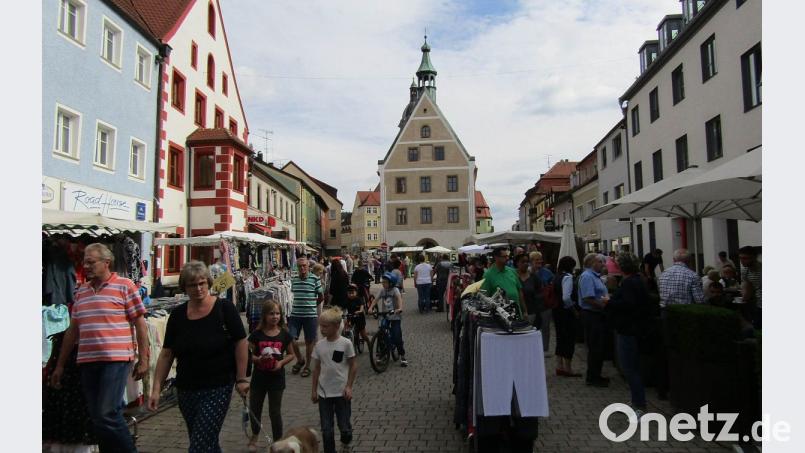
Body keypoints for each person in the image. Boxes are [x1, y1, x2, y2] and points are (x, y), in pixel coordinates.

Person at [50, 243, 150, 453]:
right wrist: (59, 365)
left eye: (91, 262)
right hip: (87, 361)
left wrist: (144, 359)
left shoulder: (125, 285)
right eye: (84, 261)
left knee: (107, 413)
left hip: (115, 359)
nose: (85, 266)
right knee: (97, 417)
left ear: (107, 263)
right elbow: (72, 330)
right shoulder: (81, 291)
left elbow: (140, 323)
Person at [147, 261, 249, 453]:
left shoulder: (224, 308)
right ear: (184, 287)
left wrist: (241, 378)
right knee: (206, 442)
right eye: (192, 285)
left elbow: (241, 342)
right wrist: (156, 389)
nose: (198, 288)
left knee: (199, 445)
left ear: (209, 283)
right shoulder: (177, 315)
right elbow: (167, 353)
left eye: (202, 283)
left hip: (218, 386)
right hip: (186, 389)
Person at [607, 253, 654, 417]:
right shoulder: (637, 280)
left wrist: (609, 302)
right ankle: (636, 401)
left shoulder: (629, 283)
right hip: (634, 329)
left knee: (630, 368)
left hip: (628, 330)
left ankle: (639, 405)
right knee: (631, 367)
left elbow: (628, 305)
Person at [246, 300, 296, 451]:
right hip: (259, 378)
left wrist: (281, 363)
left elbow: (291, 354)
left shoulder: (284, 334)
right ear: (264, 316)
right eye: (271, 313)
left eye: (277, 313)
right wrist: (258, 359)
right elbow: (247, 354)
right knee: (255, 408)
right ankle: (254, 436)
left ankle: (278, 441)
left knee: (275, 412)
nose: (275, 316)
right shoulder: (257, 334)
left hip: (277, 379)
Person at [311, 307, 358, 453]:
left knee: (344, 427)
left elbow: (353, 365)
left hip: (341, 392)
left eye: (325, 326)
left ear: (336, 326)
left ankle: (346, 442)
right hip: (324, 393)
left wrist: (349, 386)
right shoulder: (319, 345)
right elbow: (316, 369)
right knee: (326, 429)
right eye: (321, 326)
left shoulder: (346, 344)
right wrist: (313, 390)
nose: (322, 329)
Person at [289, 256, 324, 378]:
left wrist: (312, 306)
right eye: (300, 266)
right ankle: (300, 359)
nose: (302, 268)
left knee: (310, 341)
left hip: (310, 316)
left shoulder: (315, 279)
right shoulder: (294, 280)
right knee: (291, 339)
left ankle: (308, 366)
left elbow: (321, 296)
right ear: (297, 267)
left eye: (304, 265)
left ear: (309, 266)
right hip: (295, 315)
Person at [578, 253, 610, 387]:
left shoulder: (594, 276)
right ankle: (593, 377)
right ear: (592, 263)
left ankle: (596, 374)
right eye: (600, 262)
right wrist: (604, 304)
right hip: (592, 315)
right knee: (595, 346)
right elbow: (587, 298)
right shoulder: (587, 277)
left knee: (599, 347)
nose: (603, 264)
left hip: (597, 315)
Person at [368, 272, 408, 366]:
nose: (383, 283)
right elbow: (376, 299)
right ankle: (382, 354)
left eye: (385, 282)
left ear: (391, 283)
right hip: (385, 316)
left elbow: (399, 299)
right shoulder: (382, 290)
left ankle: (402, 356)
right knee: (381, 334)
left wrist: (400, 308)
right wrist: (371, 308)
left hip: (395, 316)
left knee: (397, 336)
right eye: (383, 282)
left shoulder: (395, 290)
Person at [553, 256, 581, 377]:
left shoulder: (557, 277)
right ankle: (568, 368)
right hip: (566, 313)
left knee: (560, 337)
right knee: (569, 339)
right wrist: (574, 310)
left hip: (557, 311)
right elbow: (566, 297)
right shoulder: (568, 278)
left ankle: (559, 365)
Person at [480, 247, 527, 317]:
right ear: (496, 257)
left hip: (517, 313)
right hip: (501, 317)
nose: (507, 258)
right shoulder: (488, 275)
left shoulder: (512, 271)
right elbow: (484, 297)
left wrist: (525, 311)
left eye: (507, 256)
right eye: (504, 257)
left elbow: (519, 292)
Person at [529, 251, 554, 354]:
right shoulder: (527, 272)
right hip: (531, 304)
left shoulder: (547, 272)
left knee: (545, 326)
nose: (539, 261)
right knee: (533, 327)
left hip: (545, 303)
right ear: (531, 261)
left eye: (540, 259)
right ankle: (533, 347)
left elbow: (552, 284)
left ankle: (545, 349)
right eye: (536, 259)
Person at [515, 253, 542, 328]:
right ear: (517, 263)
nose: (525, 264)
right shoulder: (512, 277)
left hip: (532, 312)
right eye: (523, 262)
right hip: (516, 313)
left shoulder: (534, 277)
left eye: (527, 262)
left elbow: (539, 294)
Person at [739, 246, 762, 329]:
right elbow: (747, 287)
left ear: (754, 257)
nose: (742, 261)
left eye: (745, 258)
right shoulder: (745, 270)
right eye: (741, 258)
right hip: (757, 304)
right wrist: (743, 298)